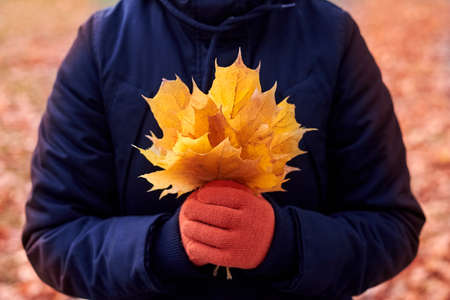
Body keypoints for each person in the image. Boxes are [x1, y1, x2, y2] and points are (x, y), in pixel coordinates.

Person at [22, 0, 426, 299]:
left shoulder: (333, 38)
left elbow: (392, 225)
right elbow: (54, 234)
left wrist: (285, 243)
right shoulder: (103, 43)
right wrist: (162, 247)